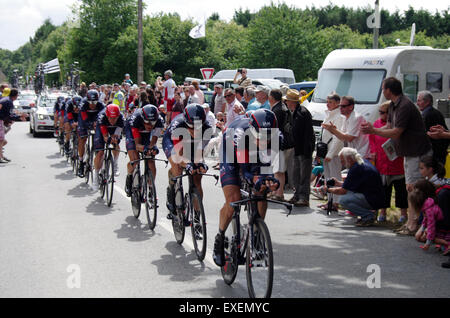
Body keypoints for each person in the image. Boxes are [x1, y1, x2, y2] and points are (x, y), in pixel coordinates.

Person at [361, 77, 433, 235]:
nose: (382, 91)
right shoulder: (394, 105)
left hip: (417, 152)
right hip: (408, 152)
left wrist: (374, 131)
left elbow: (396, 132)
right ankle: (410, 223)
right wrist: (373, 127)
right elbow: (389, 126)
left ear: (389, 90)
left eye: (383, 88)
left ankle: (413, 224)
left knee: (414, 189)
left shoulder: (404, 105)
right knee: (410, 188)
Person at [213, 109, 281, 266]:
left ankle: (257, 235)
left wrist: (268, 179)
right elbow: (245, 170)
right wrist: (254, 177)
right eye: (259, 137)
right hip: (231, 152)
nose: (264, 141)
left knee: (261, 191)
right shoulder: (240, 135)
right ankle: (220, 238)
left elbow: (268, 165)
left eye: (268, 138)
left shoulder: (278, 138)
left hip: (255, 154)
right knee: (233, 199)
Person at [162, 104, 212, 220]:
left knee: (197, 176)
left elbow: (199, 151)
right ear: (186, 122)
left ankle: (197, 216)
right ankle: (172, 191)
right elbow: (179, 156)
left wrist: (199, 164)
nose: (195, 130)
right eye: (191, 127)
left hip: (192, 144)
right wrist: (187, 163)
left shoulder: (207, 129)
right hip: (173, 142)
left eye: (198, 127)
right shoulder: (177, 125)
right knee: (177, 168)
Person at [324, 148, 385, 227]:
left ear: (349, 159)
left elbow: (343, 191)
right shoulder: (361, 162)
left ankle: (368, 216)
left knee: (343, 200)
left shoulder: (355, 169)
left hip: (373, 199)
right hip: (376, 197)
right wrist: (338, 183)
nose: (342, 163)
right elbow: (351, 184)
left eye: (342, 160)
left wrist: (328, 189)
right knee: (348, 195)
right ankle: (368, 214)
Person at [368, 102, 408, 223]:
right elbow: (372, 140)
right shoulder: (376, 124)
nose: (380, 114)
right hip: (382, 163)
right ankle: (383, 212)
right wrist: (373, 152)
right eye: (379, 111)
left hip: (397, 163)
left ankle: (403, 214)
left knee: (401, 191)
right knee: (384, 190)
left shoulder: (397, 125)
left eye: (383, 112)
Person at [283, 89, 315, 207]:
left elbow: (302, 133)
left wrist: (288, 129)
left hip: (304, 148)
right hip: (298, 147)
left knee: (304, 174)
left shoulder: (302, 112)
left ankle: (304, 197)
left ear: (292, 102)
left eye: (288, 101)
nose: (286, 103)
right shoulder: (295, 112)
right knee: (296, 173)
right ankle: (297, 195)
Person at [124, 105, 163, 196]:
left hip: (146, 135)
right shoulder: (136, 119)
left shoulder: (159, 121)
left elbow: (153, 143)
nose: (150, 125)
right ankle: (129, 177)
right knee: (135, 160)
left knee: (151, 160)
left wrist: (152, 149)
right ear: (142, 119)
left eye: (152, 122)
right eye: (147, 122)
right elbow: (137, 145)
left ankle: (151, 187)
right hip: (133, 131)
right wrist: (145, 148)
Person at [316, 93, 345, 211]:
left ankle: (335, 202)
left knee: (334, 176)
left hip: (334, 151)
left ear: (337, 103)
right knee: (328, 176)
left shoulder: (339, 116)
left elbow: (338, 138)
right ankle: (330, 200)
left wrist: (331, 153)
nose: (328, 104)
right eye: (327, 102)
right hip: (325, 149)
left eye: (331, 102)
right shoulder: (328, 114)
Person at [410, 180, 449, 256]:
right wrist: (423, 228)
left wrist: (428, 243)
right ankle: (444, 243)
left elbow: (431, 225)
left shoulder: (429, 208)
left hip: (445, 228)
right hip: (442, 227)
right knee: (426, 234)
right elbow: (426, 219)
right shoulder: (428, 203)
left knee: (429, 235)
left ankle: (447, 243)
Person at [91, 105, 124, 191]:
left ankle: (115, 164)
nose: (112, 120)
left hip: (114, 129)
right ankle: (96, 176)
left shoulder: (121, 119)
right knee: (100, 152)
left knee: (115, 143)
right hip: (102, 128)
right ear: (107, 116)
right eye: (110, 118)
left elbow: (117, 134)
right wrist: (107, 138)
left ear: (118, 116)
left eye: (114, 118)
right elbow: (105, 137)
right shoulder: (102, 118)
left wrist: (115, 139)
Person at [269, 89, 294, 202]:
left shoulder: (278, 109)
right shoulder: (281, 107)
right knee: (278, 170)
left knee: (279, 170)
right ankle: (276, 192)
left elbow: (275, 128)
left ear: (272, 97)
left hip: (281, 143)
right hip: (284, 142)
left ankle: (279, 193)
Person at [77, 90, 105, 178]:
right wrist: (89, 125)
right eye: (90, 102)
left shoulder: (101, 105)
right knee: (82, 138)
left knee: (99, 140)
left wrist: (96, 124)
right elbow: (84, 119)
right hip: (85, 118)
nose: (93, 105)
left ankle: (99, 165)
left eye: (95, 102)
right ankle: (81, 162)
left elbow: (102, 117)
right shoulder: (83, 104)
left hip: (96, 117)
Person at [417, 90, 449, 165]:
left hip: (434, 154)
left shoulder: (427, 115)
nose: (417, 103)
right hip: (440, 153)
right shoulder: (436, 112)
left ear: (427, 102)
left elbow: (424, 135)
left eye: (419, 101)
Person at [0, 89, 27, 163]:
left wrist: (19, 115)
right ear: (16, 96)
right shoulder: (9, 102)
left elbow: (11, 113)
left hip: (1, 120)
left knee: (3, 140)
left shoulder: (6, 99)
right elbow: (11, 116)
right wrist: (20, 117)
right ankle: (0, 157)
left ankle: (1, 155)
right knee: (1, 140)